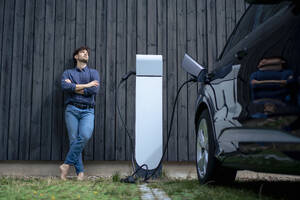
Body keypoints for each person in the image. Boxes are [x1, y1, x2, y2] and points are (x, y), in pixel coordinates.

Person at [60, 46, 100, 180]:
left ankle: (65, 165)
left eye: (87, 53)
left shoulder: (94, 73)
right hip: (72, 109)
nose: (86, 54)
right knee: (73, 140)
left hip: (88, 111)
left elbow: (94, 91)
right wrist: (87, 85)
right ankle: (80, 173)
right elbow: (65, 87)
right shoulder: (68, 73)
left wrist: (75, 88)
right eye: (83, 52)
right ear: (76, 56)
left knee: (84, 135)